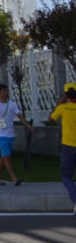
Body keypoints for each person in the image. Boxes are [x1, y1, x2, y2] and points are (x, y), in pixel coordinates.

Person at [0, 83, 32, 186]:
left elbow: (20, 116)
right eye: (4, 91)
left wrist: (29, 126)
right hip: (0, 135)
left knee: (3, 157)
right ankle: (14, 178)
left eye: (7, 91)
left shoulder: (12, 104)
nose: (6, 93)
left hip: (10, 134)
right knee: (6, 157)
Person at [48, 82, 76, 214]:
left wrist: (60, 103)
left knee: (66, 176)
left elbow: (50, 119)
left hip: (68, 146)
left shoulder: (63, 108)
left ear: (66, 95)